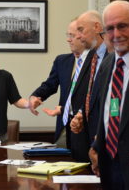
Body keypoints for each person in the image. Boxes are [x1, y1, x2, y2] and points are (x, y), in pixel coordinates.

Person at [89, 0, 129, 190]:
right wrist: (97, 146)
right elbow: (107, 111)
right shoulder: (107, 65)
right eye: (110, 29)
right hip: (109, 164)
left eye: (122, 26)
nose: (116, 34)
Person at [29, 20, 87, 149]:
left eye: (71, 35)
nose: (68, 40)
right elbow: (50, 85)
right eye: (67, 35)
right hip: (64, 128)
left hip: (85, 128)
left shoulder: (96, 62)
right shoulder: (62, 61)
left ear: (83, 36)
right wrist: (35, 96)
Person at [68, 10, 109, 161]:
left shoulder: (113, 56)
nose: (77, 36)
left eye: (80, 30)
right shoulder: (92, 56)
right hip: (88, 140)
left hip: (107, 143)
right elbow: (92, 94)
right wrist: (81, 114)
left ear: (97, 27)